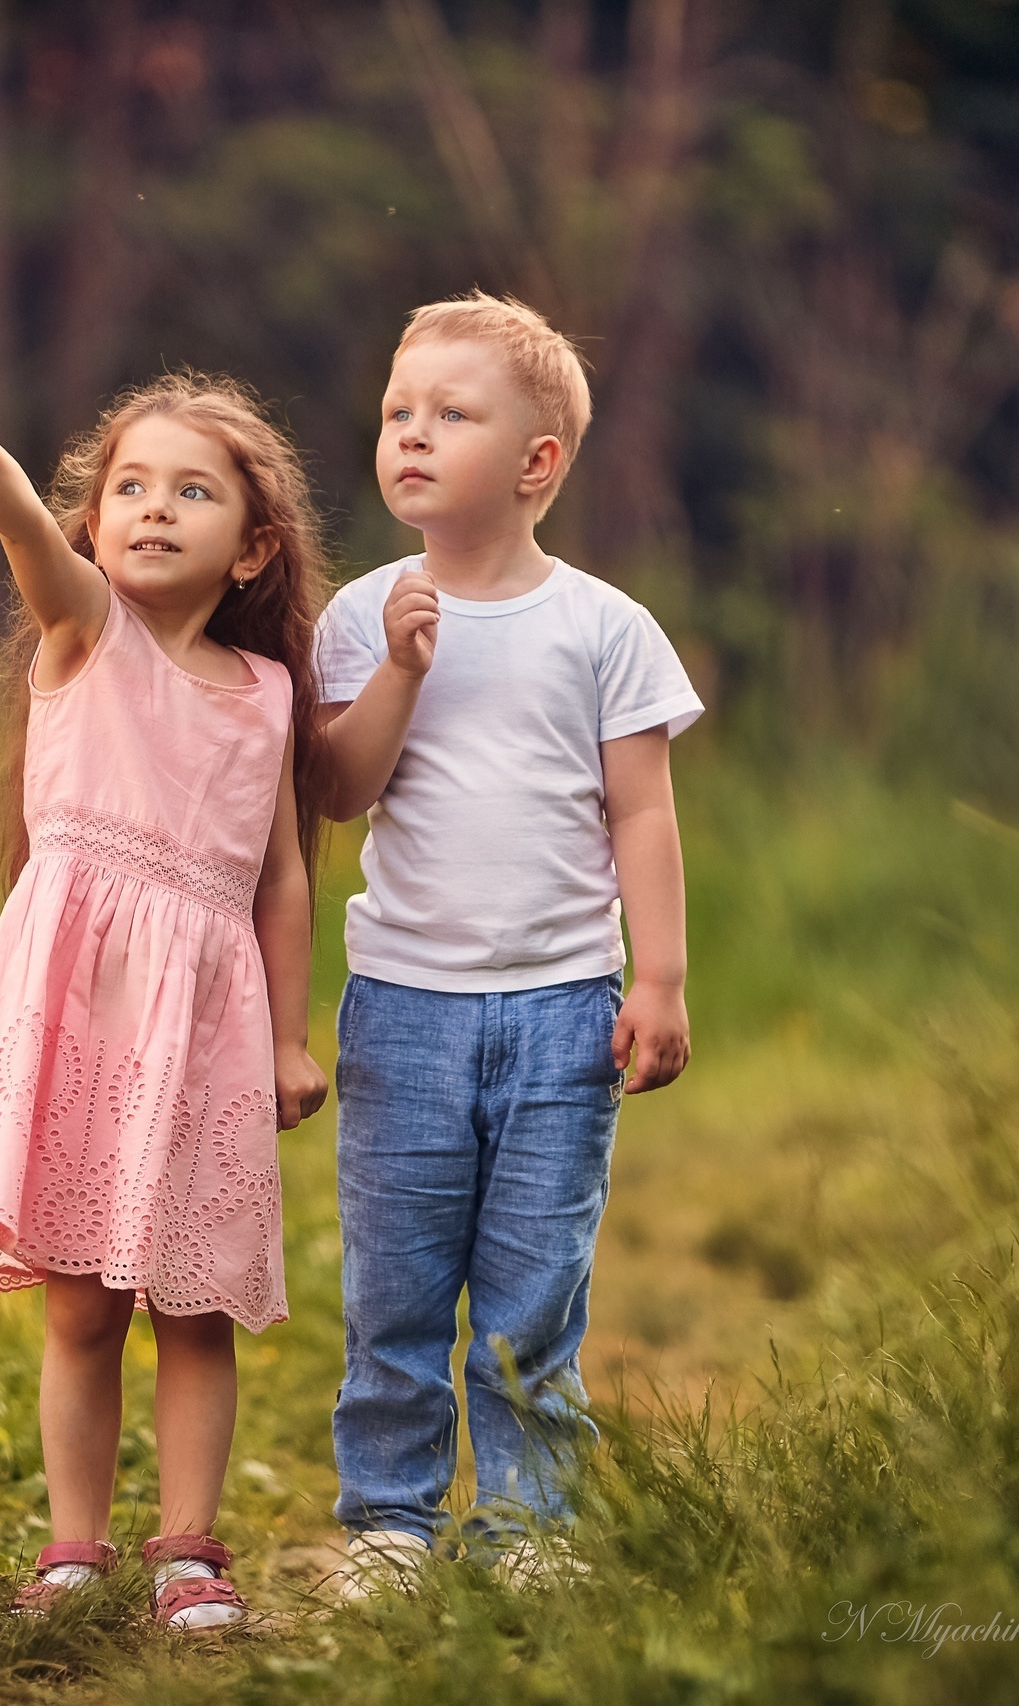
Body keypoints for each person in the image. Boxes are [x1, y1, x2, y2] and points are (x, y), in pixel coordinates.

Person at [0, 355, 332, 1630]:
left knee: (195, 1305)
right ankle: (71, 1548)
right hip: (81, 1017)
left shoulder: (266, 695)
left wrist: (292, 1038)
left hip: (203, 1024)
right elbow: (24, 528)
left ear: (250, 552)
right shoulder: (83, 630)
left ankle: (189, 1551)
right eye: (129, 486)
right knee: (81, 1306)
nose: (151, 507)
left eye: (190, 492)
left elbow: (283, 878)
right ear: (94, 523)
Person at [313, 294, 703, 1589]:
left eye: (452, 413)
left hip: (559, 1008)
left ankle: (531, 1525)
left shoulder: (603, 626)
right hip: (405, 1005)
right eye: (397, 412)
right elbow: (339, 791)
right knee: (399, 1284)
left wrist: (658, 977)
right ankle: (389, 1520)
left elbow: (641, 809)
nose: (411, 434)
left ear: (538, 462)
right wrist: (402, 674)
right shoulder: (366, 616)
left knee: (534, 1285)